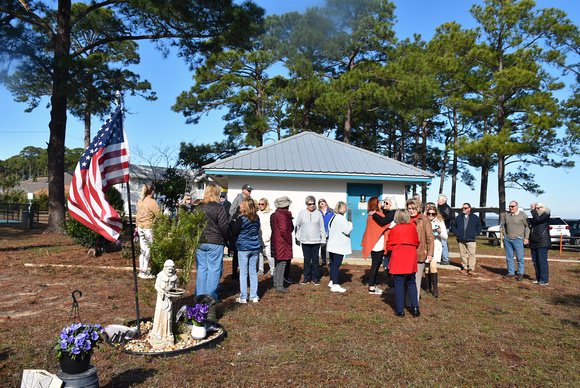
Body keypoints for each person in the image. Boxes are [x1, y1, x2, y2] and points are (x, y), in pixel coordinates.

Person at [195, 184, 230, 301]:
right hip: (215, 242)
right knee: (214, 270)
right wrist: (226, 240)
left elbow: (193, 225)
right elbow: (224, 226)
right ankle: (211, 298)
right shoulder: (219, 208)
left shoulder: (199, 208)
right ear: (217, 194)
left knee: (202, 270)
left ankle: (199, 297)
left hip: (201, 242)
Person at [386, 209, 421, 317]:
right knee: (411, 282)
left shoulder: (394, 229)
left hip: (398, 256)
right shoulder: (412, 228)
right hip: (410, 256)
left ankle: (400, 310)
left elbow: (389, 245)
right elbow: (417, 243)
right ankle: (415, 308)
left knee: (399, 284)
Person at [230, 197, 261, 303]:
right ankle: (254, 296)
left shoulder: (241, 218)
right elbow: (256, 230)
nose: (240, 206)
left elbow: (235, 232)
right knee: (253, 272)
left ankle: (243, 296)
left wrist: (233, 223)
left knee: (243, 272)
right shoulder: (257, 218)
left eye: (242, 204)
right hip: (254, 246)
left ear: (245, 207)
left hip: (243, 247)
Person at [406, 199, 434, 303]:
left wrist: (430, 253)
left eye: (413, 208)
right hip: (407, 253)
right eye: (409, 208)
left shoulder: (424, 219)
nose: (411, 211)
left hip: (420, 253)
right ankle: (407, 301)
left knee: (417, 280)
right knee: (407, 279)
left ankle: (414, 303)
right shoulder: (406, 218)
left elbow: (430, 237)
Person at [362, 197, 391, 295]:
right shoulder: (374, 215)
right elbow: (385, 223)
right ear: (375, 203)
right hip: (376, 244)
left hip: (376, 243)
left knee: (376, 264)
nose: (381, 203)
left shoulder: (373, 214)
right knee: (375, 265)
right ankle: (371, 287)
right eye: (379, 201)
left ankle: (373, 284)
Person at [295, 195, 326, 286]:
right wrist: (297, 238)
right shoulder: (302, 213)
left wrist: (323, 240)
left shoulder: (318, 214)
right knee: (307, 260)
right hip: (305, 241)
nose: (312, 206)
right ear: (306, 204)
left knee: (315, 260)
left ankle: (315, 278)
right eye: (309, 204)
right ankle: (306, 278)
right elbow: (297, 226)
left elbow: (322, 227)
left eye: (313, 204)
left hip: (316, 241)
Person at [149, 259, 179, 349]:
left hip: (169, 300)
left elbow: (175, 287)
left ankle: (168, 335)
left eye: (172, 269)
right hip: (162, 300)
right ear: (165, 268)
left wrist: (173, 292)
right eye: (169, 269)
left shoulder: (174, 276)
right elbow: (157, 286)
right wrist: (163, 292)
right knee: (160, 316)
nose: (171, 270)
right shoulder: (161, 275)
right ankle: (158, 333)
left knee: (168, 316)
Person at [326, 201, 352, 293]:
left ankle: (332, 281)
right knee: (336, 265)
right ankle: (335, 284)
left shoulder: (333, 217)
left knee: (333, 264)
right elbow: (347, 230)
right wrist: (350, 224)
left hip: (332, 245)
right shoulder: (341, 219)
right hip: (338, 246)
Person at [136, 184, 160, 279]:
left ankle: (141, 269)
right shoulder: (152, 202)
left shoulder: (140, 201)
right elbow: (159, 214)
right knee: (149, 249)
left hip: (140, 227)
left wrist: (137, 225)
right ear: (152, 191)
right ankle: (145, 270)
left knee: (143, 249)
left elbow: (138, 215)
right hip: (148, 228)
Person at [501, 200, 530, 281]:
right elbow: (503, 225)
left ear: (517, 206)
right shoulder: (507, 215)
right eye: (510, 206)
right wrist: (505, 235)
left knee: (520, 258)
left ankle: (520, 273)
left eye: (512, 206)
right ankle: (511, 273)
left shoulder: (522, 215)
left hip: (518, 239)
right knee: (509, 257)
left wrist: (526, 237)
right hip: (508, 239)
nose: (511, 208)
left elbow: (527, 227)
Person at [451, 202, 482, 275]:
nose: (463, 209)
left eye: (465, 208)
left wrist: (475, 234)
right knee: (462, 254)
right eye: (463, 208)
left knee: (472, 254)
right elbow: (453, 226)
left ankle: (471, 268)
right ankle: (464, 267)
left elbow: (479, 226)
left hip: (471, 239)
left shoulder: (474, 217)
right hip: (461, 239)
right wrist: (457, 234)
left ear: (469, 209)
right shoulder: (459, 217)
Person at [271, 196, 293, 293]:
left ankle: (276, 283)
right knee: (282, 263)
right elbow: (284, 230)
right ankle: (279, 285)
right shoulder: (282, 215)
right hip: (282, 242)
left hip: (278, 241)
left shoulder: (277, 214)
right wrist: (289, 240)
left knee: (279, 263)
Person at [426, 205, 447, 297]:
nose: (430, 215)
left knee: (433, 266)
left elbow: (445, 237)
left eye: (433, 214)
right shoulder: (424, 221)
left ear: (436, 214)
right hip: (426, 247)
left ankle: (435, 290)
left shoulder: (440, 222)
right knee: (426, 268)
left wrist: (440, 232)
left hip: (436, 247)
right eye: (429, 213)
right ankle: (427, 287)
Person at [529, 202, 550, 285]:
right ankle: (538, 277)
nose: (537, 209)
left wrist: (533, 210)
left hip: (542, 242)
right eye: (536, 208)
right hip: (534, 241)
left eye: (539, 208)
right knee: (535, 261)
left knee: (542, 261)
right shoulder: (535, 217)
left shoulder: (545, 215)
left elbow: (538, 219)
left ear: (543, 208)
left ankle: (544, 279)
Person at [258, 198, 275, 277]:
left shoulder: (270, 213)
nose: (261, 206)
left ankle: (272, 270)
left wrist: (270, 235)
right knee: (260, 255)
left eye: (262, 204)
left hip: (268, 237)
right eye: (259, 204)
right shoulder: (257, 213)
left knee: (269, 254)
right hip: (259, 237)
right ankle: (260, 270)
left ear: (266, 204)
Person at [437, 194, 452, 265]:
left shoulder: (446, 208)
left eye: (439, 199)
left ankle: (446, 259)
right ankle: (440, 257)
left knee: (444, 243)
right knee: (439, 243)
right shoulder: (439, 207)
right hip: (439, 227)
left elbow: (448, 217)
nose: (437, 200)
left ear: (443, 200)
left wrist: (439, 218)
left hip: (444, 227)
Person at [318, 198, 334, 266]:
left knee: (330, 247)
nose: (321, 202)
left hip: (330, 231)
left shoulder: (331, 211)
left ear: (325, 202)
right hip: (322, 232)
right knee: (323, 246)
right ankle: (323, 261)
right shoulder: (318, 212)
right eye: (320, 202)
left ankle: (331, 261)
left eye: (323, 201)